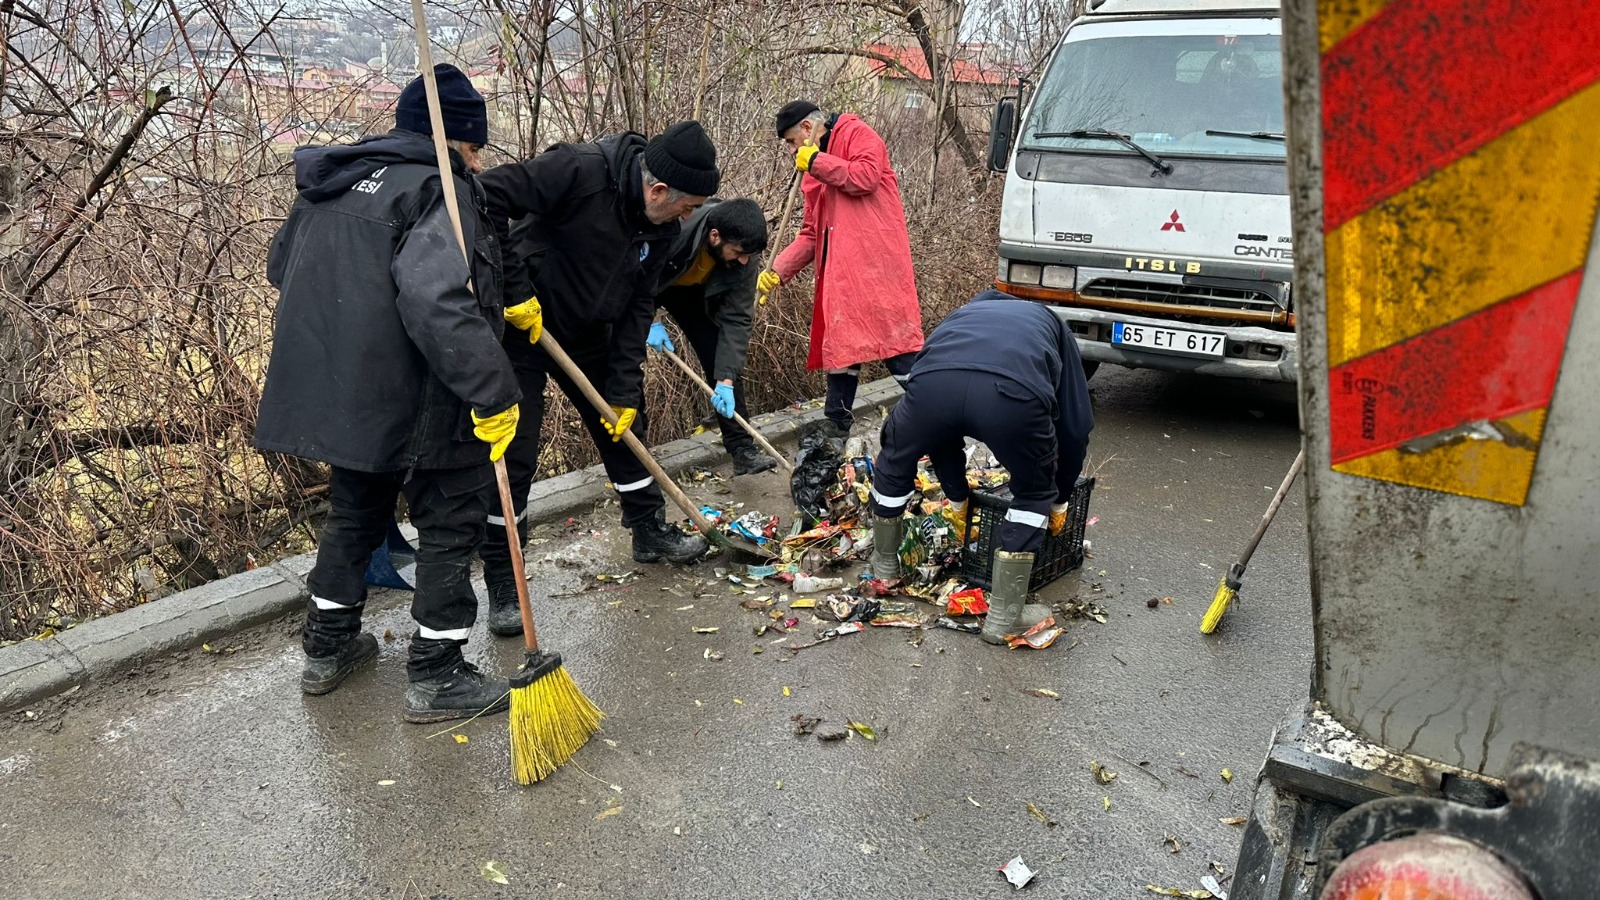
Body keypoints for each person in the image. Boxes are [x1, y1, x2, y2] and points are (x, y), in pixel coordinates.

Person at [255, 65, 523, 721]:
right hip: (422, 391)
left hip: (347, 394)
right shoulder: (439, 192)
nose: (479, 160)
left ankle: (327, 648)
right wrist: (494, 392)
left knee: (355, 510)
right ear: (457, 139)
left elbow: (280, 268)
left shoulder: (332, 182)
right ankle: (436, 674)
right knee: (452, 521)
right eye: (475, 146)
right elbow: (440, 302)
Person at [474, 121, 719, 638]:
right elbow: (487, 195)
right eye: (687, 205)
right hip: (523, 322)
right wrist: (514, 289)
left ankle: (648, 529)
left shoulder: (661, 227)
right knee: (515, 449)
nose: (689, 216)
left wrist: (625, 386)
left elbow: (638, 306)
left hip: (589, 328)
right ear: (658, 190)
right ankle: (504, 579)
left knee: (625, 424)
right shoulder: (578, 170)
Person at [867, 290, 1094, 645]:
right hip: (1012, 396)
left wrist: (957, 497)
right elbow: (1075, 428)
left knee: (895, 459)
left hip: (930, 388)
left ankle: (883, 570)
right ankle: (1004, 617)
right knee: (1034, 490)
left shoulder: (962, 314)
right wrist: (1059, 496)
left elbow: (942, 434)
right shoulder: (1050, 322)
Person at [759, 100, 925, 437]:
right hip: (841, 276)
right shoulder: (810, 170)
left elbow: (865, 176)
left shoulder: (856, 132)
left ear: (807, 129)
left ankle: (939, 413)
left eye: (792, 142)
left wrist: (816, 161)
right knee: (843, 348)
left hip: (877, 269)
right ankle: (835, 426)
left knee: (899, 350)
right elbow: (811, 232)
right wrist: (778, 269)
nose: (792, 151)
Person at [647, 197, 776, 476]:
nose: (743, 260)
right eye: (738, 252)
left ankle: (742, 448)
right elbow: (636, 273)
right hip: (654, 282)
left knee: (720, 356)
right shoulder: (675, 229)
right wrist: (650, 317)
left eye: (748, 255)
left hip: (697, 294)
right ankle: (636, 462)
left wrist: (726, 380)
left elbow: (737, 319)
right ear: (714, 236)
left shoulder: (744, 256)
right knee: (626, 362)